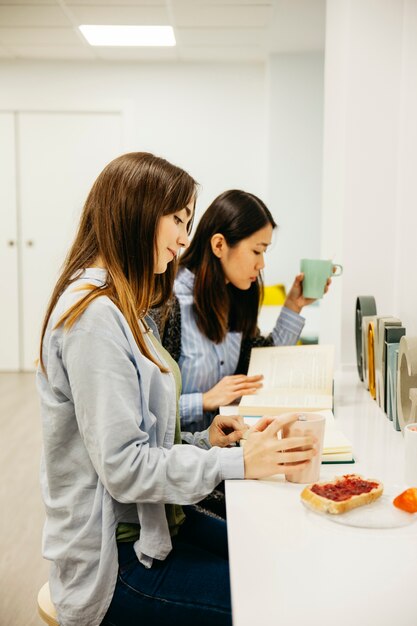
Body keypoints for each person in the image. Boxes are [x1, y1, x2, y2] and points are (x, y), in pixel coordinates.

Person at [37, 152, 317, 626]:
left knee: (277, 562)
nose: (184, 238)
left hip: (156, 526)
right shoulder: (96, 318)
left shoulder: (121, 305)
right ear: (140, 211)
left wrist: (206, 439)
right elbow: (125, 468)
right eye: (179, 219)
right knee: (275, 602)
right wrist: (238, 460)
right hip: (117, 563)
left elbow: (138, 439)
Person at [154, 189, 330, 434]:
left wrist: (294, 305)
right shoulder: (166, 303)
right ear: (219, 245)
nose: (262, 264)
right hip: (181, 456)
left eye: (264, 252)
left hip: (221, 448)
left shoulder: (235, 295)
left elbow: (260, 365)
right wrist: (205, 400)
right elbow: (148, 413)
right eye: (256, 251)